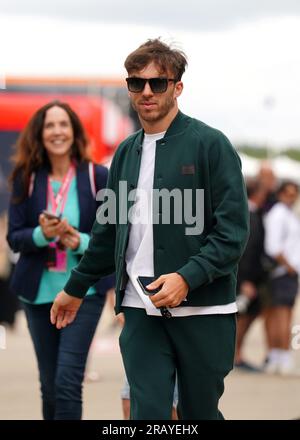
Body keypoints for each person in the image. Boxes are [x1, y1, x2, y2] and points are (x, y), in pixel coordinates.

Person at [50, 39, 249, 420]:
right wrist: (74, 289)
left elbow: (233, 234)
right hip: (139, 310)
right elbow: (107, 233)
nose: (146, 92)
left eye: (158, 83)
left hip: (204, 311)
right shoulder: (125, 153)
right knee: (148, 413)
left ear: (177, 87)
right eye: (136, 82)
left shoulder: (211, 145)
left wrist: (187, 278)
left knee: (199, 414)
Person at [7, 100, 113, 419]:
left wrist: (77, 240)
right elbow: (14, 237)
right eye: (50, 125)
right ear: (39, 134)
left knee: (68, 381)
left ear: (74, 132)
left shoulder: (98, 176)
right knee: (49, 385)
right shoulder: (25, 178)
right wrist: (43, 235)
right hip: (38, 295)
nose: (57, 131)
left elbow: (112, 239)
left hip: (84, 294)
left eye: (63, 124)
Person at [263, 181, 300, 375]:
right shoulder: (278, 214)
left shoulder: (287, 213)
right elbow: (273, 246)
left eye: (294, 194)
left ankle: (277, 356)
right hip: (283, 272)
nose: (291, 197)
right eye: (288, 193)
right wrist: (290, 267)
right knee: (283, 316)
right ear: (280, 194)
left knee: (279, 315)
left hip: (285, 272)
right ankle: (283, 356)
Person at [234, 179, 268, 372]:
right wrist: (245, 281)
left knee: (248, 314)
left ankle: (237, 353)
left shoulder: (252, 213)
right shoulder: (249, 215)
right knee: (241, 316)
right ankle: (235, 355)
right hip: (245, 278)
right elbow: (246, 250)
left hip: (250, 276)